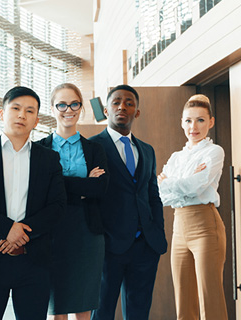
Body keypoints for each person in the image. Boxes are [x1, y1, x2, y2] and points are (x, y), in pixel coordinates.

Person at [0, 86, 66, 320]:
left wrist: (22, 234)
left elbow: (58, 206)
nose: (22, 115)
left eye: (29, 111)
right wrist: (7, 229)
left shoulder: (49, 158)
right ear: (2, 113)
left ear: (37, 120)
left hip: (34, 260)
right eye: (16, 108)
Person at [90, 85, 167, 320]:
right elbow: (89, 197)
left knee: (139, 312)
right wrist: (98, 237)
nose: (122, 106)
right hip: (108, 246)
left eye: (129, 103)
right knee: (102, 312)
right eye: (116, 102)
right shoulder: (92, 146)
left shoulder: (147, 150)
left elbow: (152, 195)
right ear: (106, 109)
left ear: (137, 112)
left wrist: (157, 231)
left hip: (145, 246)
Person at [36, 83, 109, 320]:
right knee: (57, 306)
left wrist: (58, 183)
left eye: (74, 104)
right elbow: (40, 192)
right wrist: (82, 184)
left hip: (87, 231)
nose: (69, 109)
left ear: (81, 107)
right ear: (52, 108)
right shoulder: (39, 150)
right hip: (52, 231)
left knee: (83, 301)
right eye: (62, 104)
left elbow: (99, 189)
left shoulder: (95, 149)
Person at [157, 94, 227, 320]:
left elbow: (195, 187)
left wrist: (169, 181)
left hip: (206, 227)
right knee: (183, 302)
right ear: (181, 122)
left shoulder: (214, 152)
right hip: (179, 228)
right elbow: (159, 194)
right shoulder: (176, 157)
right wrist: (178, 184)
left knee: (210, 298)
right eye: (188, 120)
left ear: (211, 122)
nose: (193, 127)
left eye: (200, 120)